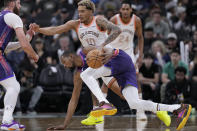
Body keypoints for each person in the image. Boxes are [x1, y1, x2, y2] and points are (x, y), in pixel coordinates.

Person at [30, 0, 122, 129]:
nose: (80, 14)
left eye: (83, 11)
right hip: (92, 59)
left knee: (120, 92)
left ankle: (101, 106)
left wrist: (102, 45)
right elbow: (55, 29)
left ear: (91, 11)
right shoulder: (75, 24)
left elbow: (117, 30)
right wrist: (39, 29)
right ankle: (97, 111)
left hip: (107, 57)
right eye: (78, 11)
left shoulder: (99, 20)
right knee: (86, 80)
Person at [84, 47, 191, 131]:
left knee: (86, 75)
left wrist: (110, 52)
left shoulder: (104, 36)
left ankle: (104, 103)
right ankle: (178, 108)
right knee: (133, 103)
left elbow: (113, 47)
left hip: (122, 62)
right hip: (121, 70)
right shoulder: (96, 55)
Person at [0, 0, 39, 130]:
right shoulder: (13, 17)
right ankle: (7, 121)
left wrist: (28, 37)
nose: (20, 6)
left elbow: (7, 46)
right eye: (18, 2)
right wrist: (34, 55)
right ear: (11, 3)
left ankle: (8, 120)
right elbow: (23, 44)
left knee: (9, 87)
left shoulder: (1, 16)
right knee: (13, 86)